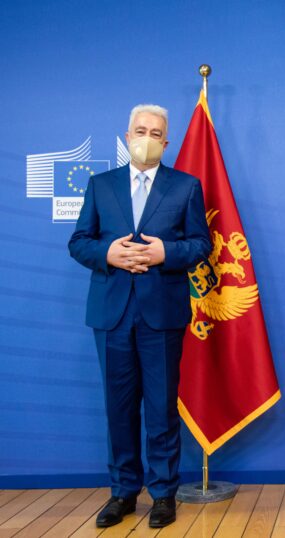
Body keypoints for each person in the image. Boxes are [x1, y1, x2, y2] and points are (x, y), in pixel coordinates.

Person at [68, 104, 211, 528]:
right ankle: (123, 493)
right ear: (128, 136)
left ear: (166, 143)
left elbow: (201, 244)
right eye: (140, 130)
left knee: (162, 407)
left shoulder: (185, 186)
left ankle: (163, 494)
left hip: (162, 313)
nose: (147, 138)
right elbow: (79, 241)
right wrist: (107, 254)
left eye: (155, 133)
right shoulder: (101, 185)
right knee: (119, 407)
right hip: (111, 312)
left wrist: (167, 252)